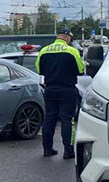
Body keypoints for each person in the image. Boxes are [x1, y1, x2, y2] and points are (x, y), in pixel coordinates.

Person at [35, 29, 85, 159]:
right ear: (68, 38)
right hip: (67, 90)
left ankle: (47, 149)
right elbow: (81, 70)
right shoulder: (72, 51)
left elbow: (39, 70)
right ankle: (68, 151)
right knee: (68, 120)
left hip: (50, 89)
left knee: (49, 119)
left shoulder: (44, 50)